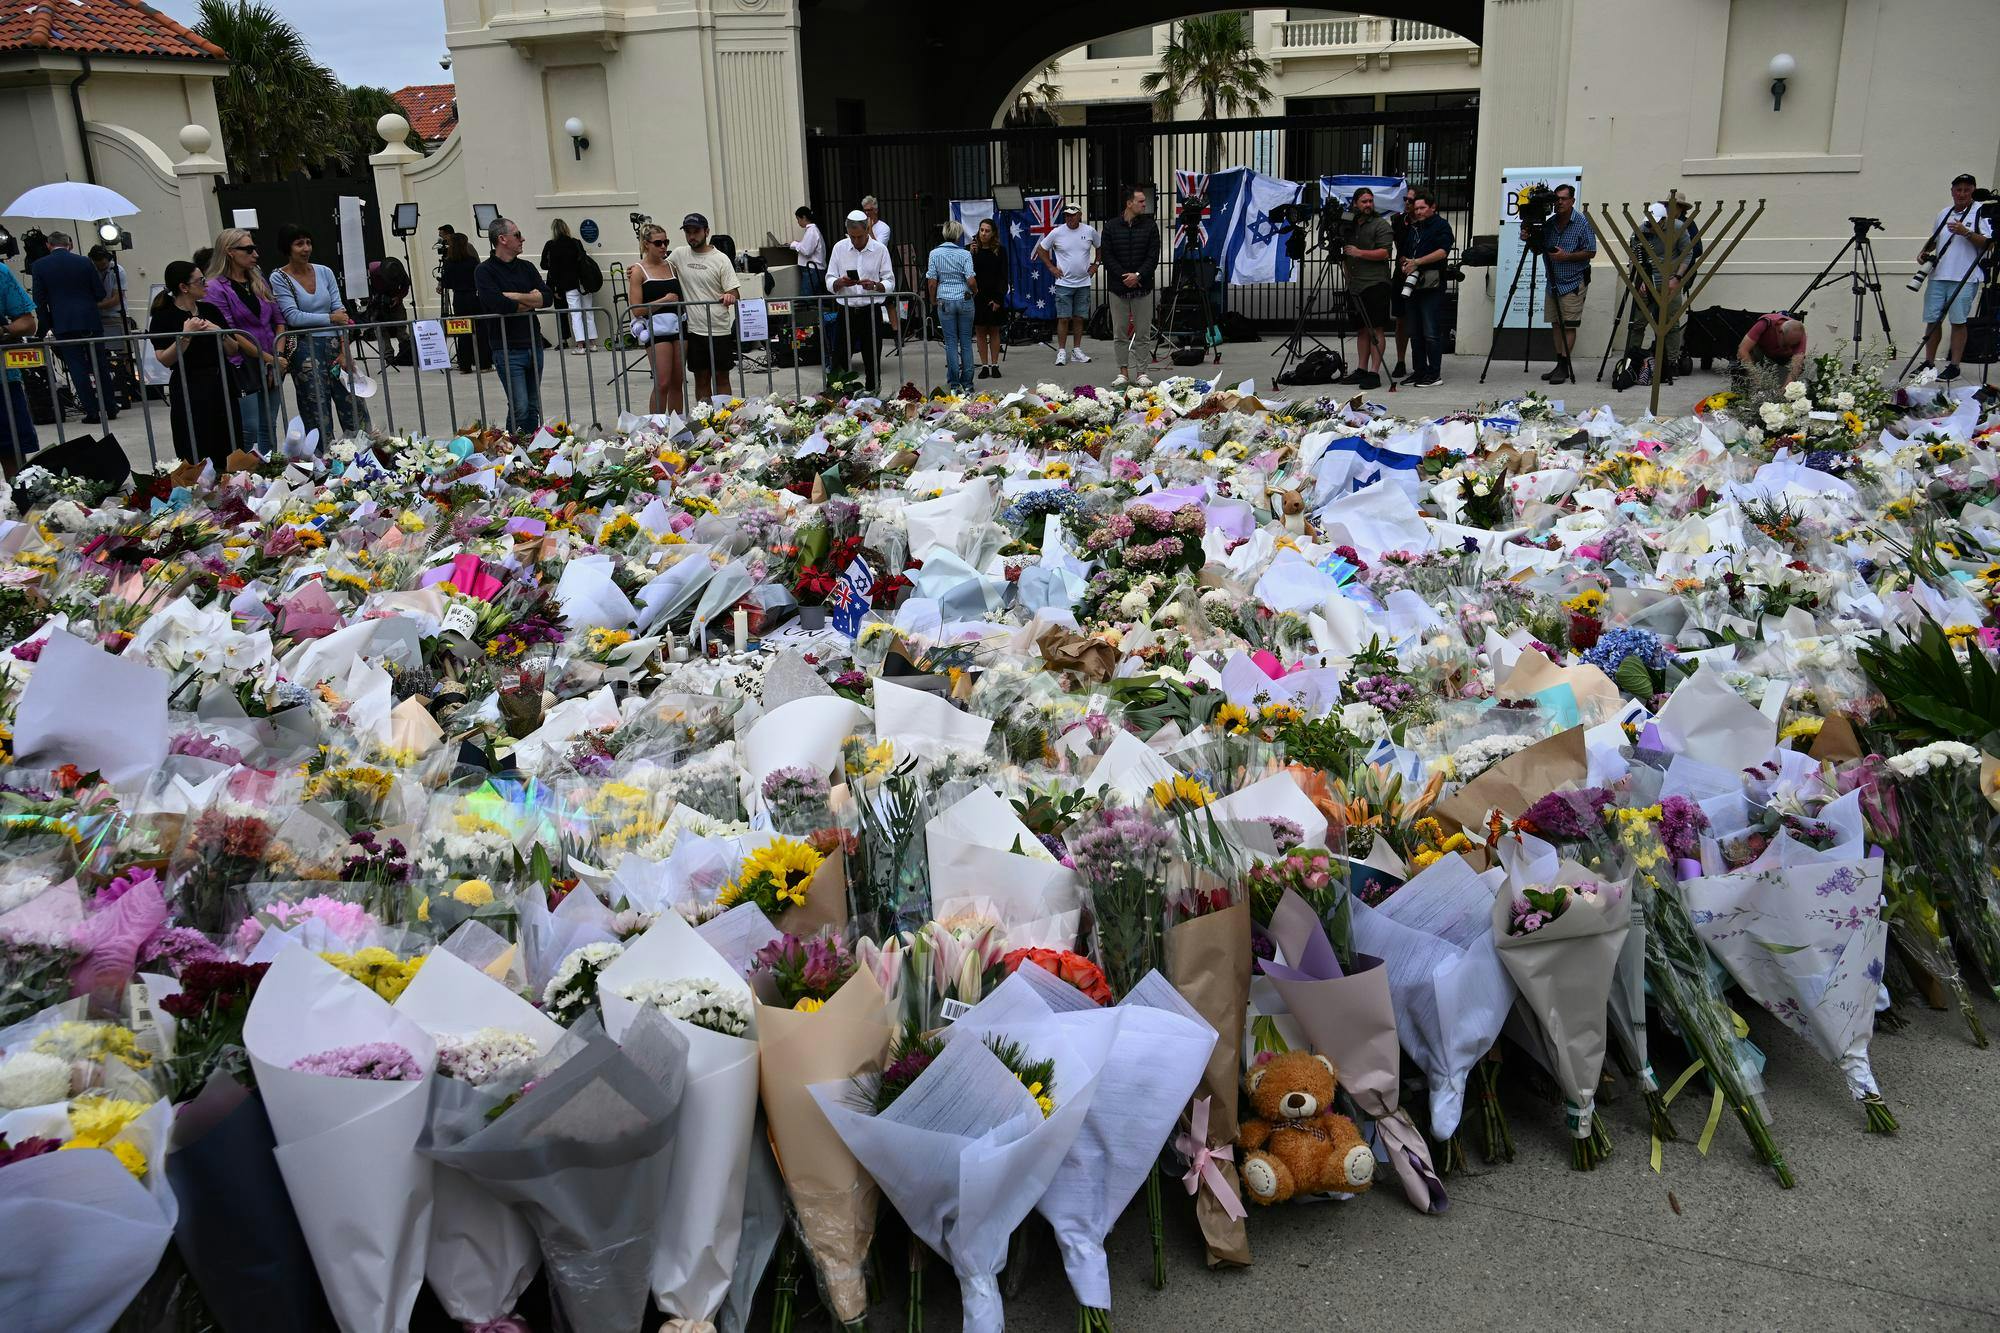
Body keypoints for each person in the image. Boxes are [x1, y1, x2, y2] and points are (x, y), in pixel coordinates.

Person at [269, 223, 369, 439]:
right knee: (316, 409)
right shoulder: (279, 277)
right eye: (299, 244)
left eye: (308, 243)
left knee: (352, 403)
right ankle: (323, 459)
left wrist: (345, 350)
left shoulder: (325, 272)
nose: (306, 248)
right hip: (304, 348)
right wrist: (331, 318)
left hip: (335, 345)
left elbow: (340, 311)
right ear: (287, 248)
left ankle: (367, 454)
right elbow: (293, 316)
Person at [148, 260, 242, 467]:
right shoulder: (164, 317)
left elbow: (233, 348)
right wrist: (185, 336)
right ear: (184, 287)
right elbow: (164, 358)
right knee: (195, 440)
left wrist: (219, 333)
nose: (205, 284)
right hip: (189, 383)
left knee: (228, 437)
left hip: (220, 382)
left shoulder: (210, 310)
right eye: (200, 281)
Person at [202, 227, 287, 453]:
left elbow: (279, 321)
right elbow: (230, 330)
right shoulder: (214, 288)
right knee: (249, 427)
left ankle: (271, 470)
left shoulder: (259, 281)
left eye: (254, 249)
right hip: (241, 364)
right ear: (229, 252)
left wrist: (276, 358)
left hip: (271, 358)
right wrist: (268, 357)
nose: (255, 254)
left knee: (269, 424)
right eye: (248, 250)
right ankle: (244, 476)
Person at [474, 216, 552, 436]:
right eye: (517, 235)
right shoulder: (484, 271)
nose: (522, 239)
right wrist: (530, 300)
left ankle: (531, 447)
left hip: (532, 342)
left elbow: (547, 298)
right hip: (507, 347)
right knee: (520, 405)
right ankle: (515, 448)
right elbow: (498, 304)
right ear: (502, 239)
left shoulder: (526, 267)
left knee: (533, 405)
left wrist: (517, 296)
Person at [29, 231, 117, 423]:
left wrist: (43, 327)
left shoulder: (39, 266)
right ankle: (110, 407)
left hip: (64, 323)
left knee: (77, 367)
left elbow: (39, 300)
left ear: (48, 245)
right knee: (100, 364)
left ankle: (92, 411)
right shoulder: (85, 262)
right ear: (69, 244)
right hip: (90, 320)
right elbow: (99, 293)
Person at [1917, 173, 1994, 382]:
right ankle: (1929, 362)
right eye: (1958, 189)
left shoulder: (1981, 212)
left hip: (1965, 276)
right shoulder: (1944, 213)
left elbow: (1990, 243)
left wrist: (1966, 232)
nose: (1961, 194)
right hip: (1938, 274)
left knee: (1958, 322)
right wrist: (1924, 251)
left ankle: (1955, 365)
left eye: (1966, 190)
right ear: (1952, 191)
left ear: (1973, 191)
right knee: (1933, 320)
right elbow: (1935, 239)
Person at [1618, 199, 1701, 388]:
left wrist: (1677, 278)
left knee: (1670, 323)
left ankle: (1671, 363)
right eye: (1649, 222)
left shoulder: (1679, 228)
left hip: (1670, 280)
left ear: (1665, 220)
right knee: (1637, 322)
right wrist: (1639, 278)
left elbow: (1687, 254)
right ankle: (1633, 359)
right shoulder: (1642, 229)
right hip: (1646, 281)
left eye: (1656, 222)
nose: (1651, 225)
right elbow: (1633, 255)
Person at [669, 213, 741, 402]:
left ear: (707, 232)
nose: (692, 236)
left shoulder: (721, 259)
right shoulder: (678, 254)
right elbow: (658, 266)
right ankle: (704, 421)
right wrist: (637, 269)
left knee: (722, 377)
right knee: (700, 378)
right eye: (688, 232)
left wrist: (729, 296)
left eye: (696, 231)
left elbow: (735, 292)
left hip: (719, 328)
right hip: (694, 330)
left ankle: (725, 418)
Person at [826, 210, 896, 392]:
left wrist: (875, 286)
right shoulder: (839, 248)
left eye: (859, 237)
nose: (855, 241)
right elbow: (828, 278)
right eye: (852, 237)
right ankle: (837, 395)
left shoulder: (880, 249)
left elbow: (890, 281)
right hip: (846, 311)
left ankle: (873, 393)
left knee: (872, 357)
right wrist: (839, 282)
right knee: (839, 357)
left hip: (870, 311)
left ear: (867, 231)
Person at [1101, 186, 1160, 384]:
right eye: (1141, 201)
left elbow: (1153, 256)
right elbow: (1107, 257)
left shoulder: (1150, 226)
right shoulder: (1110, 227)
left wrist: (1138, 275)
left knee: (1143, 332)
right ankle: (1123, 372)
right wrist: (1124, 276)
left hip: (1143, 287)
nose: (1145, 204)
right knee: (1120, 332)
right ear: (1129, 203)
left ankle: (1142, 372)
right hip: (1118, 288)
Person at [1539, 183, 1596, 385]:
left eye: (1564, 198)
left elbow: (1591, 251)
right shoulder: (1550, 223)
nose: (1560, 202)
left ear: (1572, 201)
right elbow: (1539, 248)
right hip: (1553, 281)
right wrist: (1528, 237)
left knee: (1568, 325)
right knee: (1555, 323)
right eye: (1557, 199)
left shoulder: (1581, 223)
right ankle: (1558, 363)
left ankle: (1564, 365)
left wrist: (1567, 256)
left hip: (1573, 281)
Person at [1339, 186, 1395, 390]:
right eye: (1364, 201)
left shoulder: (1381, 224)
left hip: (1375, 282)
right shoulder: (1349, 224)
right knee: (1361, 329)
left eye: (1371, 201)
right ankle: (1362, 369)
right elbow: (1344, 252)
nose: (1368, 205)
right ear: (1355, 203)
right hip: (1355, 284)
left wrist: (1359, 253)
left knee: (1375, 328)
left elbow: (1384, 253)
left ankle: (1374, 372)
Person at [627, 222, 685, 416]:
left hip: (678, 326)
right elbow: (636, 310)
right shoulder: (638, 271)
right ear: (646, 244)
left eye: (666, 242)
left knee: (678, 381)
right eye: (658, 243)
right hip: (656, 330)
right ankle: (656, 428)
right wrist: (664, 300)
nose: (663, 247)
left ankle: (677, 426)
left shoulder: (672, 266)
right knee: (662, 382)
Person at [1398, 190, 1455, 387]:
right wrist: (1405, 262)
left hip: (1432, 285)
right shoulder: (1414, 228)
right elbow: (1404, 252)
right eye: (1417, 208)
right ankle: (1419, 371)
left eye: (1423, 208)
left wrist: (1417, 262)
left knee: (1431, 331)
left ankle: (1434, 373)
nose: (1419, 211)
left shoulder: (1441, 226)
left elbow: (1442, 252)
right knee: (1414, 331)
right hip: (1413, 285)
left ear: (1433, 207)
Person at [1036, 205, 1099, 367]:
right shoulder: (1057, 232)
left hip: (1083, 282)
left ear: (1080, 215)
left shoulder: (1089, 231)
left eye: (1072, 215)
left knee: (1079, 318)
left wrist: (1096, 265)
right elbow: (1041, 249)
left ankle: (1077, 350)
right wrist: (1051, 268)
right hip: (1064, 283)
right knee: (1063, 318)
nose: (1069, 218)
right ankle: (1062, 351)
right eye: (1066, 216)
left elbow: (1100, 247)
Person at [925, 220, 977, 395]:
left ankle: (954, 384)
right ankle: (968, 383)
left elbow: (932, 282)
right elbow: (970, 280)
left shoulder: (934, 254)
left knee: (951, 342)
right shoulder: (965, 254)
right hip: (964, 298)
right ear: (959, 235)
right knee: (966, 341)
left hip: (945, 299)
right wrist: (975, 292)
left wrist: (933, 299)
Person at [87, 244, 138, 408]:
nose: (100, 267)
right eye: (97, 264)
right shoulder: (92, 269)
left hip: (116, 316)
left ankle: (130, 387)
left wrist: (94, 307)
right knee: (106, 355)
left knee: (123, 354)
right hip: (99, 318)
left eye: (102, 263)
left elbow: (117, 298)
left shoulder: (117, 270)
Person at [0, 261, 39, 470]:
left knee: (11, 451)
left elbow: (28, 323)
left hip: (3, 383)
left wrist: (4, 330)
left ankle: (19, 498)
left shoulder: (0, 273)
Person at [541, 218, 598, 355]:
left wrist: (556, 288)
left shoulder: (553, 246)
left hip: (569, 285)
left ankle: (580, 345)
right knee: (588, 312)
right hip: (583, 283)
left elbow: (552, 269)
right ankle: (592, 343)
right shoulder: (576, 242)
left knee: (576, 314)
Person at [439, 230, 486, 372]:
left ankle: (464, 365)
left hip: (458, 298)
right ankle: (483, 364)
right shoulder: (472, 262)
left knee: (462, 332)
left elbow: (446, 283)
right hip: (473, 296)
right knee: (480, 331)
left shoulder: (448, 263)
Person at [970, 217, 1010, 380]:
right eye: (981, 230)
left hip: (995, 295)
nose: (984, 233)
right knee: (980, 331)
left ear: (993, 233)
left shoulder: (1000, 250)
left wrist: (999, 299)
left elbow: (1003, 276)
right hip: (978, 295)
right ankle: (984, 366)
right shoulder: (971, 250)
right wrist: (971, 255)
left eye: (987, 231)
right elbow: (969, 274)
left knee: (994, 330)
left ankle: (995, 365)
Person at [1735, 312, 1808, 387]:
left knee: (1799, 367)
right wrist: (1755, 377)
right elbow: (1742, 350)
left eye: (1793, 346)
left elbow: (1797, 366)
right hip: (1761, 353)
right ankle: (1746, 390)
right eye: (1786, 344)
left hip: (1783, 359)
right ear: (1780, 332)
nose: (1789, 348)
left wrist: (1785, 391)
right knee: (1746, 356)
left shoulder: (1800, 334)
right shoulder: (1765, 323)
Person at [790, 205, 827, 297]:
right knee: (816, 296)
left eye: (798, 219)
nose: (798, 222)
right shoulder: (812, 230)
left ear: (804, 217)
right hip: (813, 269)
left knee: (807, 297)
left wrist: (795, 244)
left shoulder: (812, 231)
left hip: (813, 269)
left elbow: (807, 251)